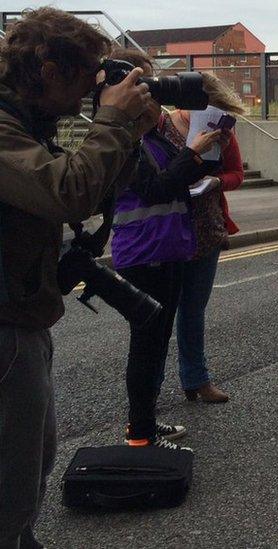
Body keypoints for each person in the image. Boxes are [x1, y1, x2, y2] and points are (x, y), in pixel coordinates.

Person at [0, 8, 152, 547]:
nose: (93, 86)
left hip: (22, 315)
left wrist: (129, 132)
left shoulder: (24, 120)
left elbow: (86, 190)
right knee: (12, 483)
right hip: (5, 324)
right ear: (47, 67)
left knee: (31, 465)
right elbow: (65, 192)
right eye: (85, 73)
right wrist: (112, 122)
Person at [107, 49, 227, 451]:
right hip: (146, 253)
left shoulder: (150, 135)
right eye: (143, 85)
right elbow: (156, 188)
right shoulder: (123, 140)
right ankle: (140, 432)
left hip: (166, 248)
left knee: (154, 345)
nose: (152, 95)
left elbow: (172, 180)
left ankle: (144, 424)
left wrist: (200, 152)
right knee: (147, 345)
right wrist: (193, 156)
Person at [170, 74, 246, 404]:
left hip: (207, 227)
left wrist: (216, 181)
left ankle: (196, 379)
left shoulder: (221, 128)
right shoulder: (161, 126)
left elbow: (236, 174)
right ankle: (148, 391)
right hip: (168, 229)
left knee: (193, 309)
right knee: (159, 312)